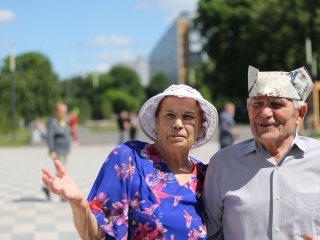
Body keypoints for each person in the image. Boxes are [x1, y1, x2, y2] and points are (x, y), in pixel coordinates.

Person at [42, 84, 218, 239]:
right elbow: (93, 235)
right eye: (169, 115)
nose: (178, 123)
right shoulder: (128, 160)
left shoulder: (208, 176)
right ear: (156, 122)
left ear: (200, 126)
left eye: (188, 117)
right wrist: (79, 204)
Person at [203, 65, 320, 240]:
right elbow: (210, 234)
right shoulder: (222, 165)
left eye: (276, 104)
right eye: (257, 104)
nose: (264, 113)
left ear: (300, 113)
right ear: (249, 110)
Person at [43, 102, 72, 200]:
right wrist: (52, 150)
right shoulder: (53, 122)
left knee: (60, 173)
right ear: (56, 112)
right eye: (62, 111)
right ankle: (62, 194)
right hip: (57, 151)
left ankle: (46, 187)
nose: (64, 113)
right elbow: (50, 137)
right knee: (61, 172)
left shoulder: (63, 121)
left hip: (64, 151)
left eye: (65, 111)